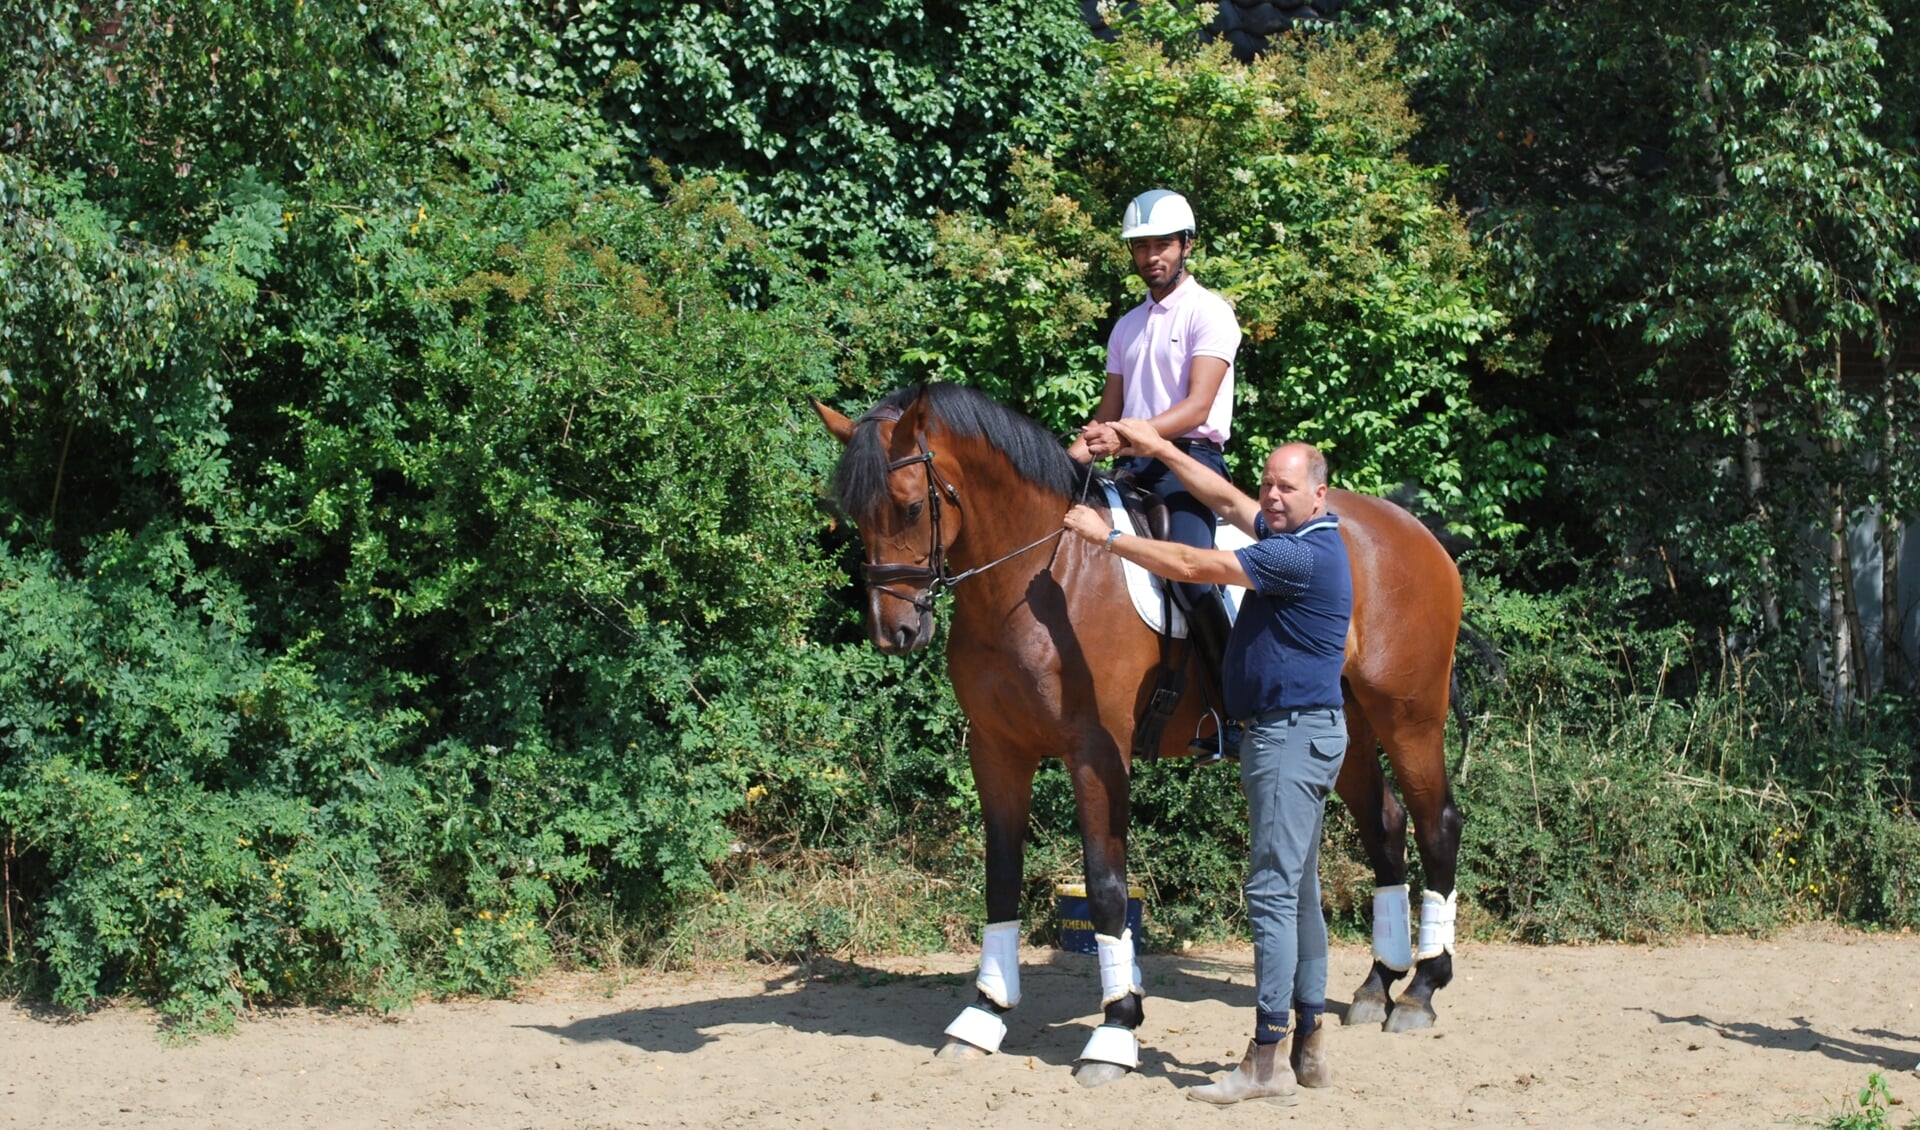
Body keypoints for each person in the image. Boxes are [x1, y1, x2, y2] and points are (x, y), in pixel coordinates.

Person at [1064, 419, 1352, 1106]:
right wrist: (1162, 450)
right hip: (1300, 734)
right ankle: (1309, 1043)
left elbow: (1194, 565)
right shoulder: (1301, 536)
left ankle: (1266, 1058)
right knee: (1300, 891)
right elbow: (1223, 502)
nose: (1270, 496)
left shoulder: (1296, 557)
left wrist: (1104, 536)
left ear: (1319, 494)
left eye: (1286, 487)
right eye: (1267, 484)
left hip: (1287, 739)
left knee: (1274, 895)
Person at [1067, 189, 1243, 757]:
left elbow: (1196, 407)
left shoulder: (1210, 312)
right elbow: (1109, 408)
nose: (1151, 256)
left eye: (1162, 244)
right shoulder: (1127, 326)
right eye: (1141, 247)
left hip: (1189, 463)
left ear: (1186, 245)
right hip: (1129, 465)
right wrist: (1071, 455)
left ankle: (1237, 711)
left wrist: (1127, 432)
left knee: (1192, 572)